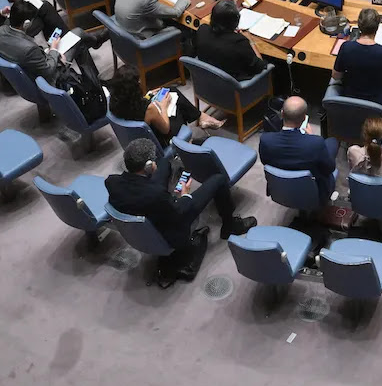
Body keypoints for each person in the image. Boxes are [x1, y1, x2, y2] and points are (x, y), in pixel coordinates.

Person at [105, 139, 257, 250]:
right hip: (172, 228)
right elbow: (178, 211)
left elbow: (150, 191)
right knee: (218, 179)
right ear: (149, 166)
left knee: (164, 162)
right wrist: (184, 195)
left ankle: (170, 171)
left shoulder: (111, 182)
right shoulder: (156, 194)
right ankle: (229, 226)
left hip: (147, 208)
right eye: (153, 163)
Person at [0, 0, 100, 85]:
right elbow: (49, 70)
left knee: (77, 39)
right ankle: (96, 83)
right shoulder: (28, 49)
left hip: (29, 67)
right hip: (47, 77)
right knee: (78, 35)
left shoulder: (1, 31)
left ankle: (94, 80)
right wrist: (53, 50)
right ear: (26, 24)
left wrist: (45, 51)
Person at [259, 96, 339, 205]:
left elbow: (265, 162)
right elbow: (329, 168)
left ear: (282, 114)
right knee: (332, 142)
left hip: (281, 190)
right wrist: (311, 137)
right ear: (304, 119)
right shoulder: (316, 143)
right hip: (316, 193)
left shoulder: (265, 140)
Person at [106, 65, 220, 139]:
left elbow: (133, 106)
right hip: (158, 136)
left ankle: (201, 117)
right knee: (176, 103)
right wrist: (163, 107)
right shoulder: (149, 109)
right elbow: (165, 129)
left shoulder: (114, 100)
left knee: (171, 90)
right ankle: (200, 119)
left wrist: (149, 94)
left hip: (136, 132)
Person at [194, 0, 270, 81]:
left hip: (206, 78)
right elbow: (259, 66)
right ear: (235, 22)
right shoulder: (239, 42)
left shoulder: (202, 30)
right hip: (232, 83)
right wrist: (251, 41)